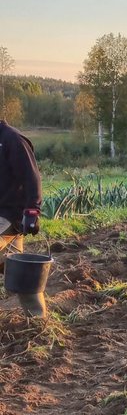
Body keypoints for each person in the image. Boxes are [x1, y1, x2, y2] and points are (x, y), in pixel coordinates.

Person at [0, 119, 46, 318]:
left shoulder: (12, 139)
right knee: (16, 267)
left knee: (15, 266)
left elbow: (31, 177)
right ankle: (37, 320)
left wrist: (32, 211)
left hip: (8, 214)